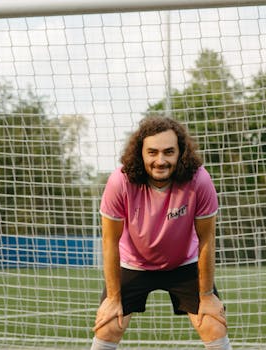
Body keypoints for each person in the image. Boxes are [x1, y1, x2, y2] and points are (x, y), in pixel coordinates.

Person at [90, 116, 232, 350]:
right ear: (141, 153)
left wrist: (206, 295)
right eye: (152, 152)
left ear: (181, 152)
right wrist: (113, 299)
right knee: (108, 325)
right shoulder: (120, 181)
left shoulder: (199, 180)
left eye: (169, 152)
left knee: (214, 324)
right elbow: (109, 241)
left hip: (183, 263)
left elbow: (206, 239)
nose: (160, 160)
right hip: (133, 263)